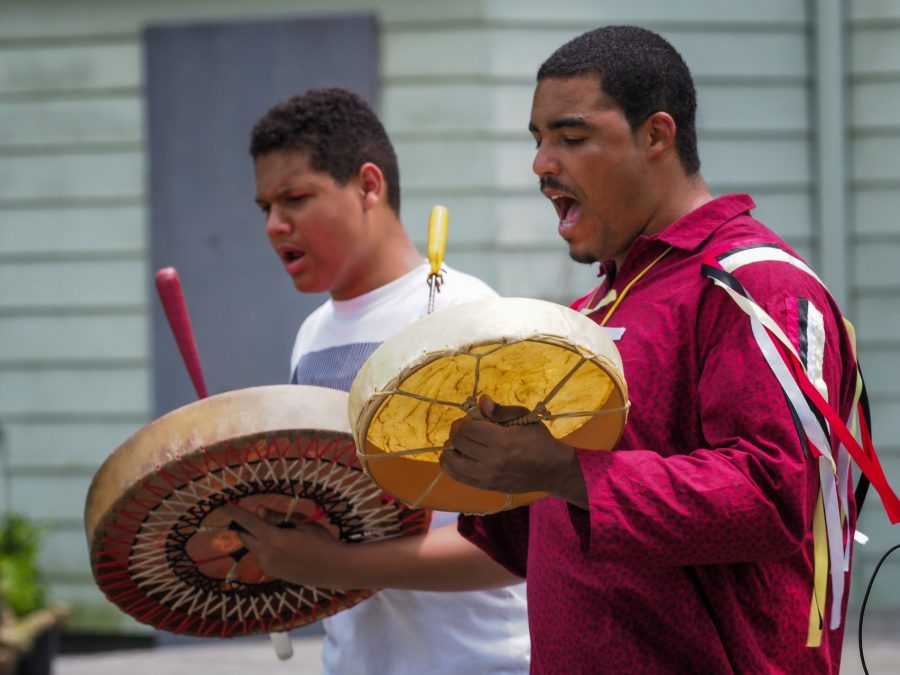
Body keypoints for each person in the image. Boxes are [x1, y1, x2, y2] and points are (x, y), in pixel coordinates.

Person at [226, 28, 891, 673]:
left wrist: (565, 470)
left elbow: (777, 498)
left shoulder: (756, 285)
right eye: (538, 140)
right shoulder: (592, 310)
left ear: (656, 135)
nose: (543, 164)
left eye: (571, 137)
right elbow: (522, 539)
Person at [245, 88, 530, 675]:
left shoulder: (470, 314)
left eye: (295, 198)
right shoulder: (311, 335)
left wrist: (335, 566)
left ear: (368, 186)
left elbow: (514, 548)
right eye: (265, 207)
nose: (275, 226)